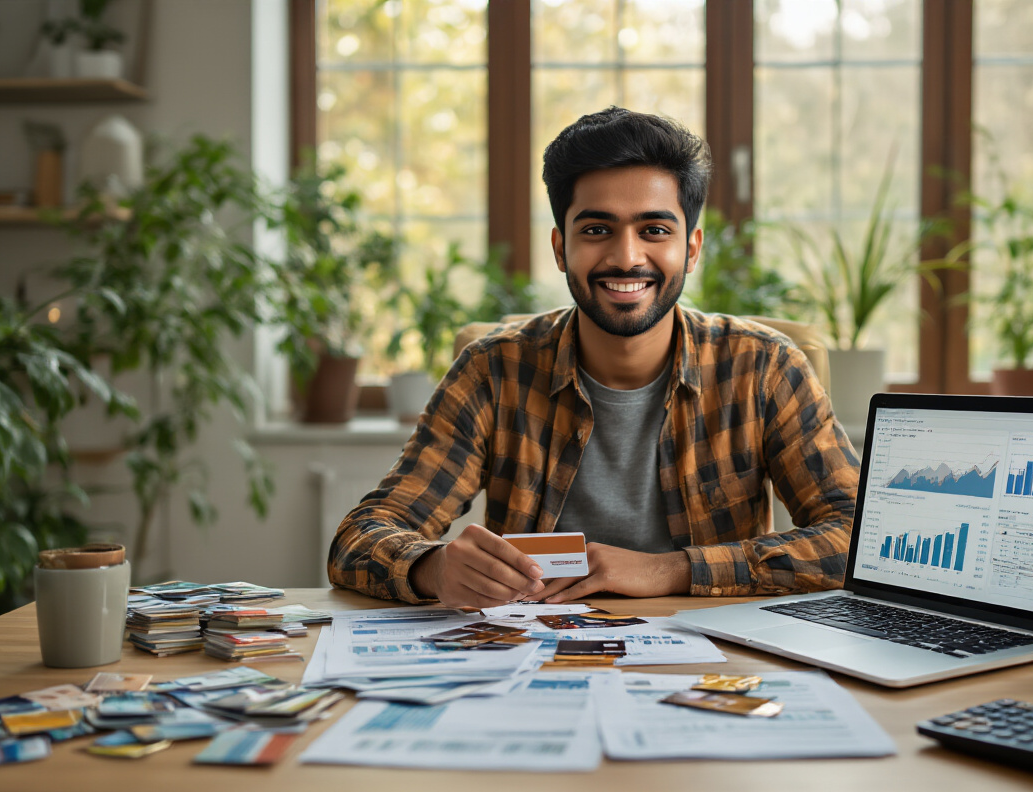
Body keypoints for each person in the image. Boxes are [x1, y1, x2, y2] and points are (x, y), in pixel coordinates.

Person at [329, 107, 860, 609]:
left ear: (691, 249)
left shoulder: (764, 369)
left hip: (714, 665)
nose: (626, 257)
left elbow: (859, 537)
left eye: (654, 230)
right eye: (597, 230)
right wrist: (434, 567)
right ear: (561, 248)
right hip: (531, 661)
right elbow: (358, 538)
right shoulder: (493, 370)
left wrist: (673, 570)